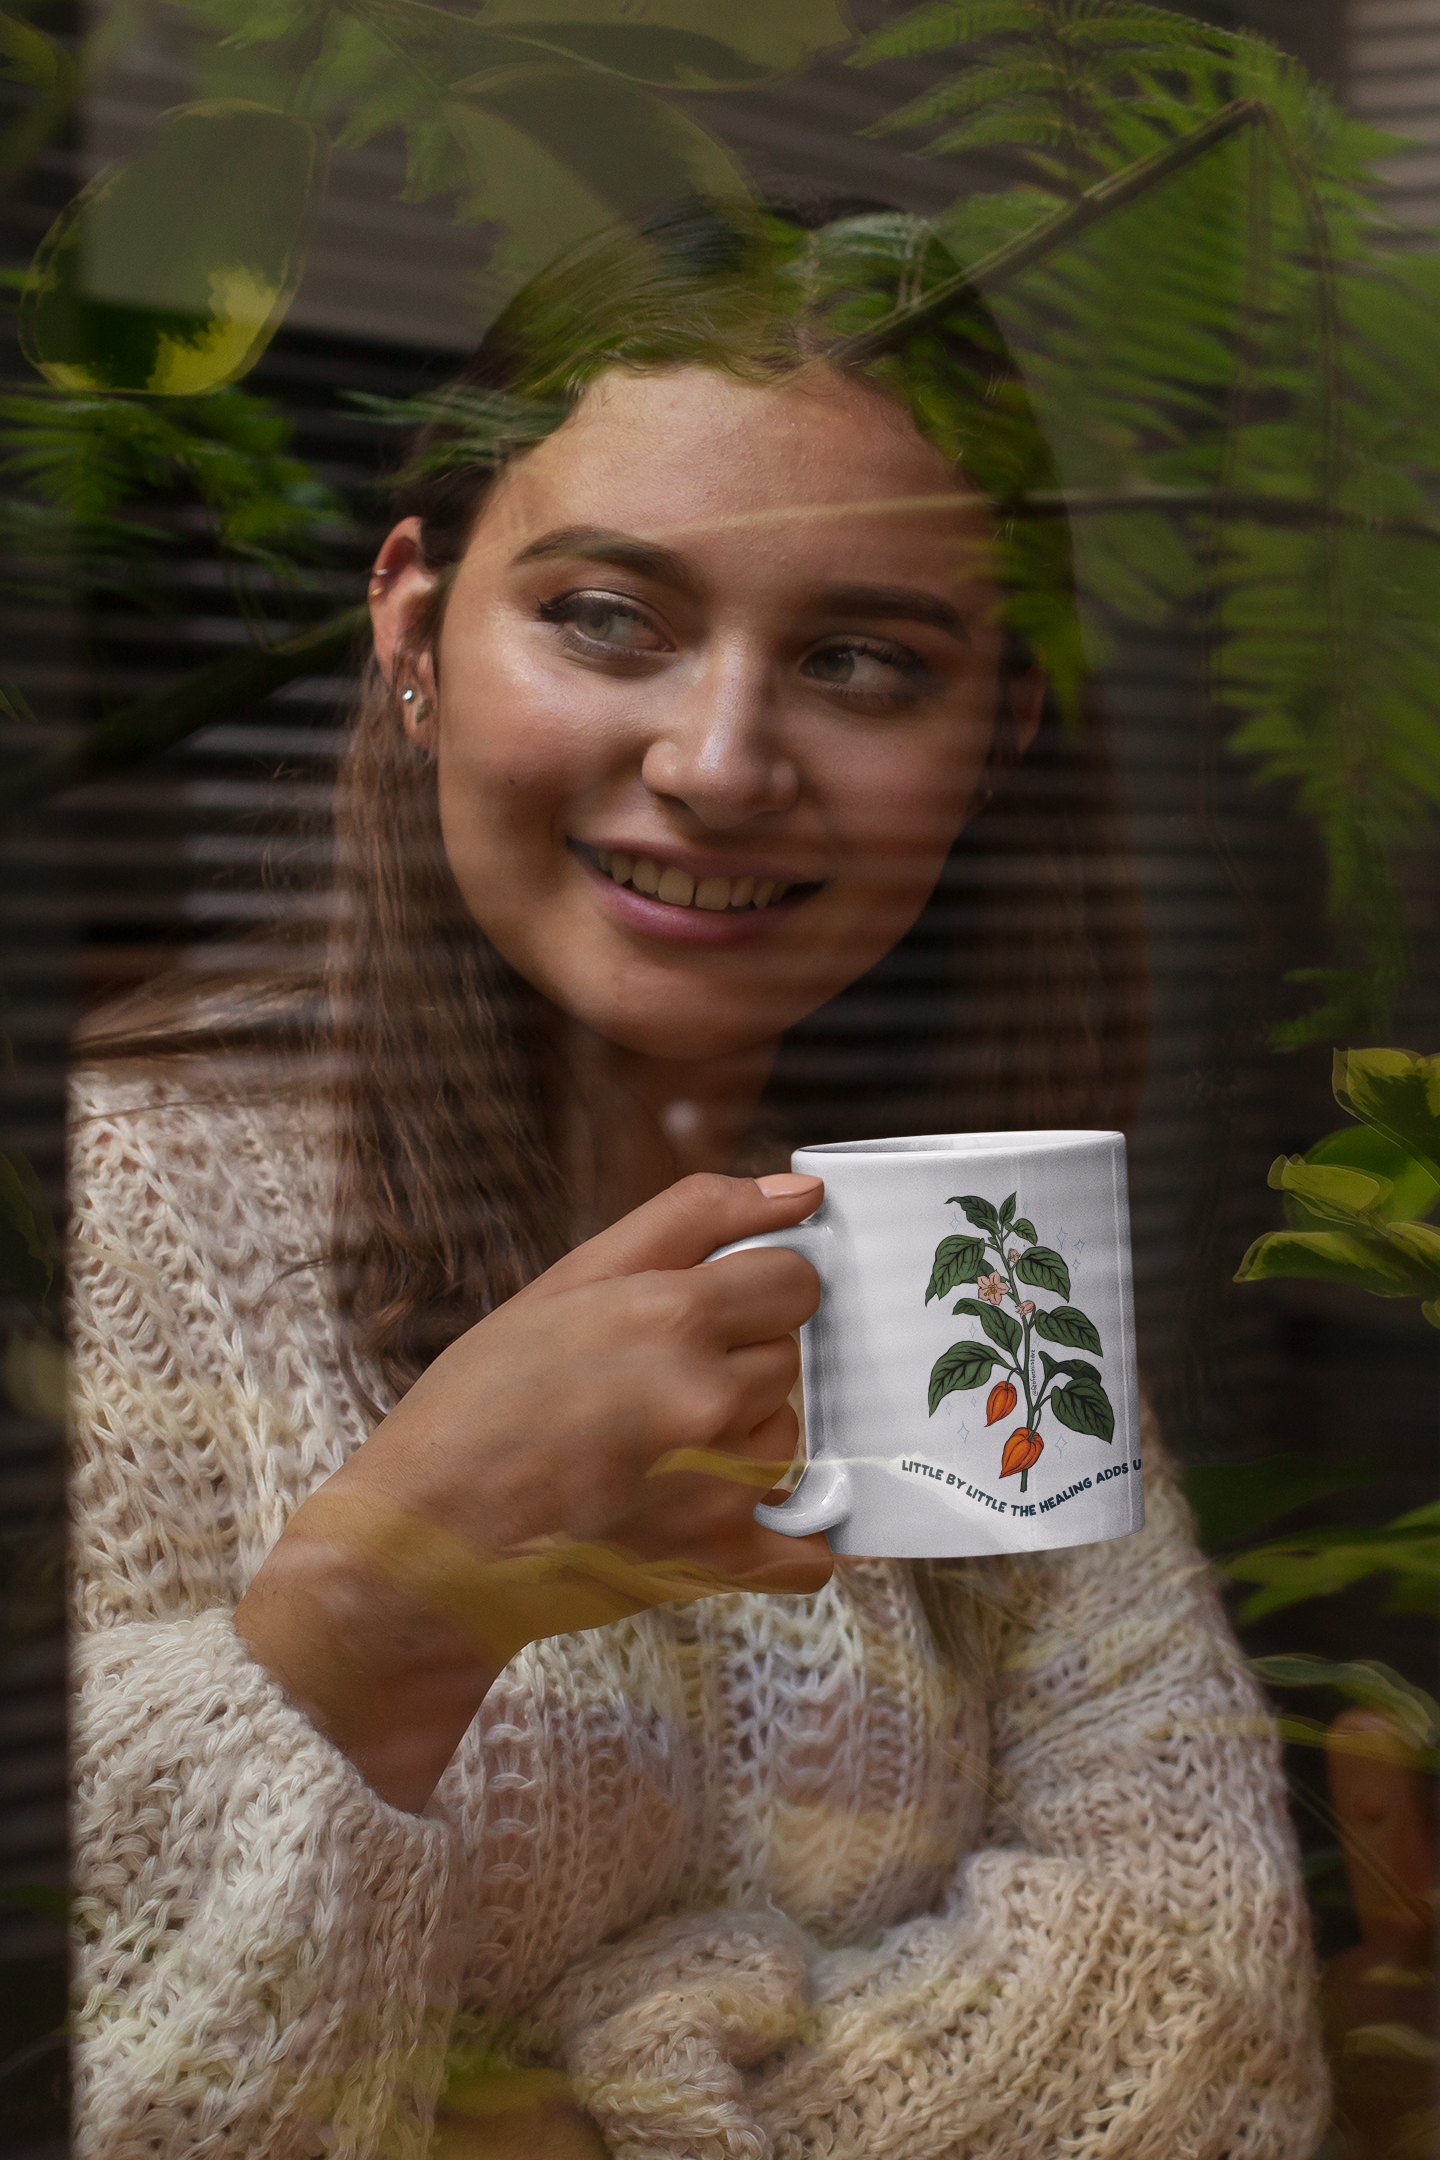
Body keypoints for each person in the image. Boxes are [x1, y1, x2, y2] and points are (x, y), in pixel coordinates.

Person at [68, 203, 1327, 2158]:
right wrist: (389, 1583)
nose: (724, 761)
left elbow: (1209, 2017)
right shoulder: (109, 1217)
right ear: (414, 633)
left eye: (858, 660)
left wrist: (611, 2097)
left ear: (995, 732)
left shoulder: (955, 1251)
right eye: (607, 620)